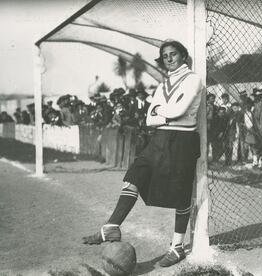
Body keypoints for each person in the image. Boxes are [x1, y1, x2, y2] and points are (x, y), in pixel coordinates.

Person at [82, 40, 202, 267]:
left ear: (184, 56)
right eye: (164, 55)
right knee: (135, 174)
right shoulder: (163, 85)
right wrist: (163, 114)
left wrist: (160, 112)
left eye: (173, 54)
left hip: (183, 140)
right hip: (159, 139)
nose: (168, 59)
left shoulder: (193, 79)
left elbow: (179, 110)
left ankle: (177, 247)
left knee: (181, 192)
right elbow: (149, 119)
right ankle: (112, 227)